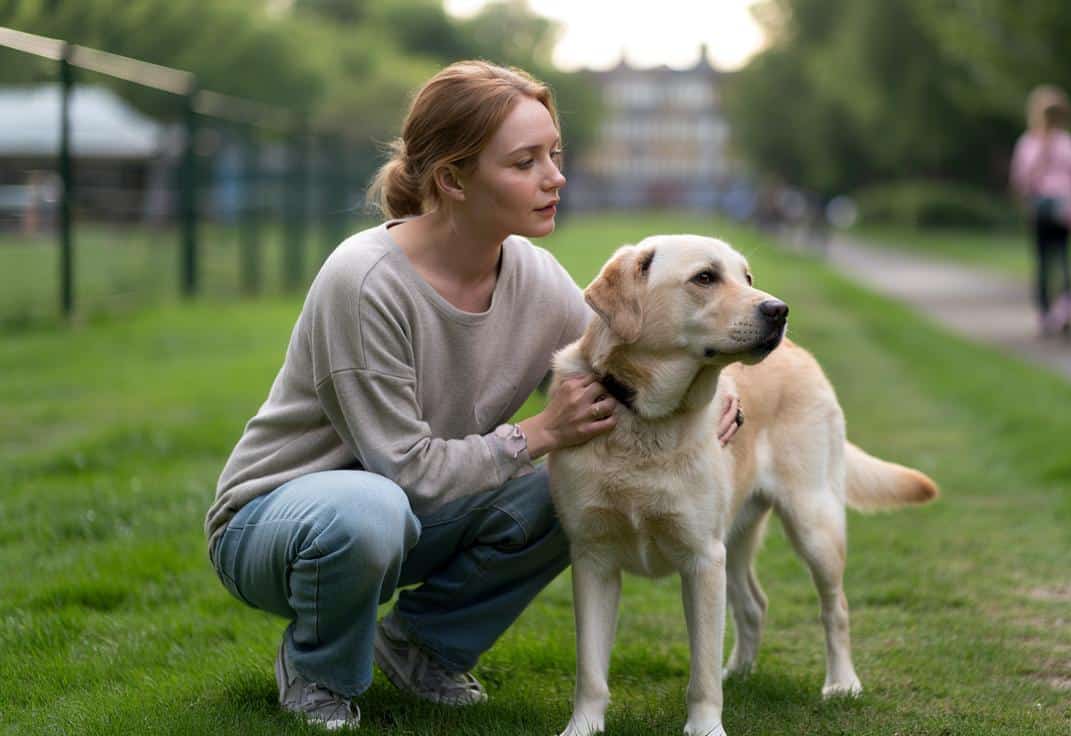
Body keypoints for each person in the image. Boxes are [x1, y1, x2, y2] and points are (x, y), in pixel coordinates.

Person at [204, 61, 743, 730]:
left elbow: (612, 376)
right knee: (373, 510)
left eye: (554, 153)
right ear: (452, 180)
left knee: (578, 484)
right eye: (525, 162)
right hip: (282, 524)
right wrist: (539, 433)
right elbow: (403, 473)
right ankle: (319, 675)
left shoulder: (532, 275)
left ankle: (420, 649)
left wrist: (705, 398)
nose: (555, 177)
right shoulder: (364, 281)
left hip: (408, 516)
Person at [1010, 85, 1071, 337]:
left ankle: (1065, 309)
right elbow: (1023, 177)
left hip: (1062, 204)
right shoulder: (1030, 142)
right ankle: (1045, 311)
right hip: (1041, 204)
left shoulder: (1067, 143)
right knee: (1043, 261)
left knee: (1063, 259)